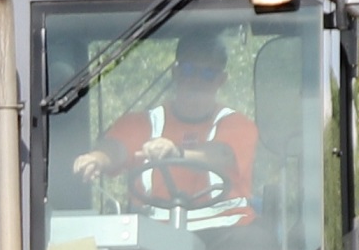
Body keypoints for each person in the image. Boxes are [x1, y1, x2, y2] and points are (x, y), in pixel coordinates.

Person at [69, 30, 256, 227]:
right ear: (175, 72)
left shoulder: (237, 124)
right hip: (155, 236)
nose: (196, 81)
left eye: (208, 74)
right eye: (188, 70)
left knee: (252, 247)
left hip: (226, 230)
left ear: (221, 80)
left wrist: (176, 153)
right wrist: (97, 159)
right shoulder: (142, 123)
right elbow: (116, 149)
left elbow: (222, 155)